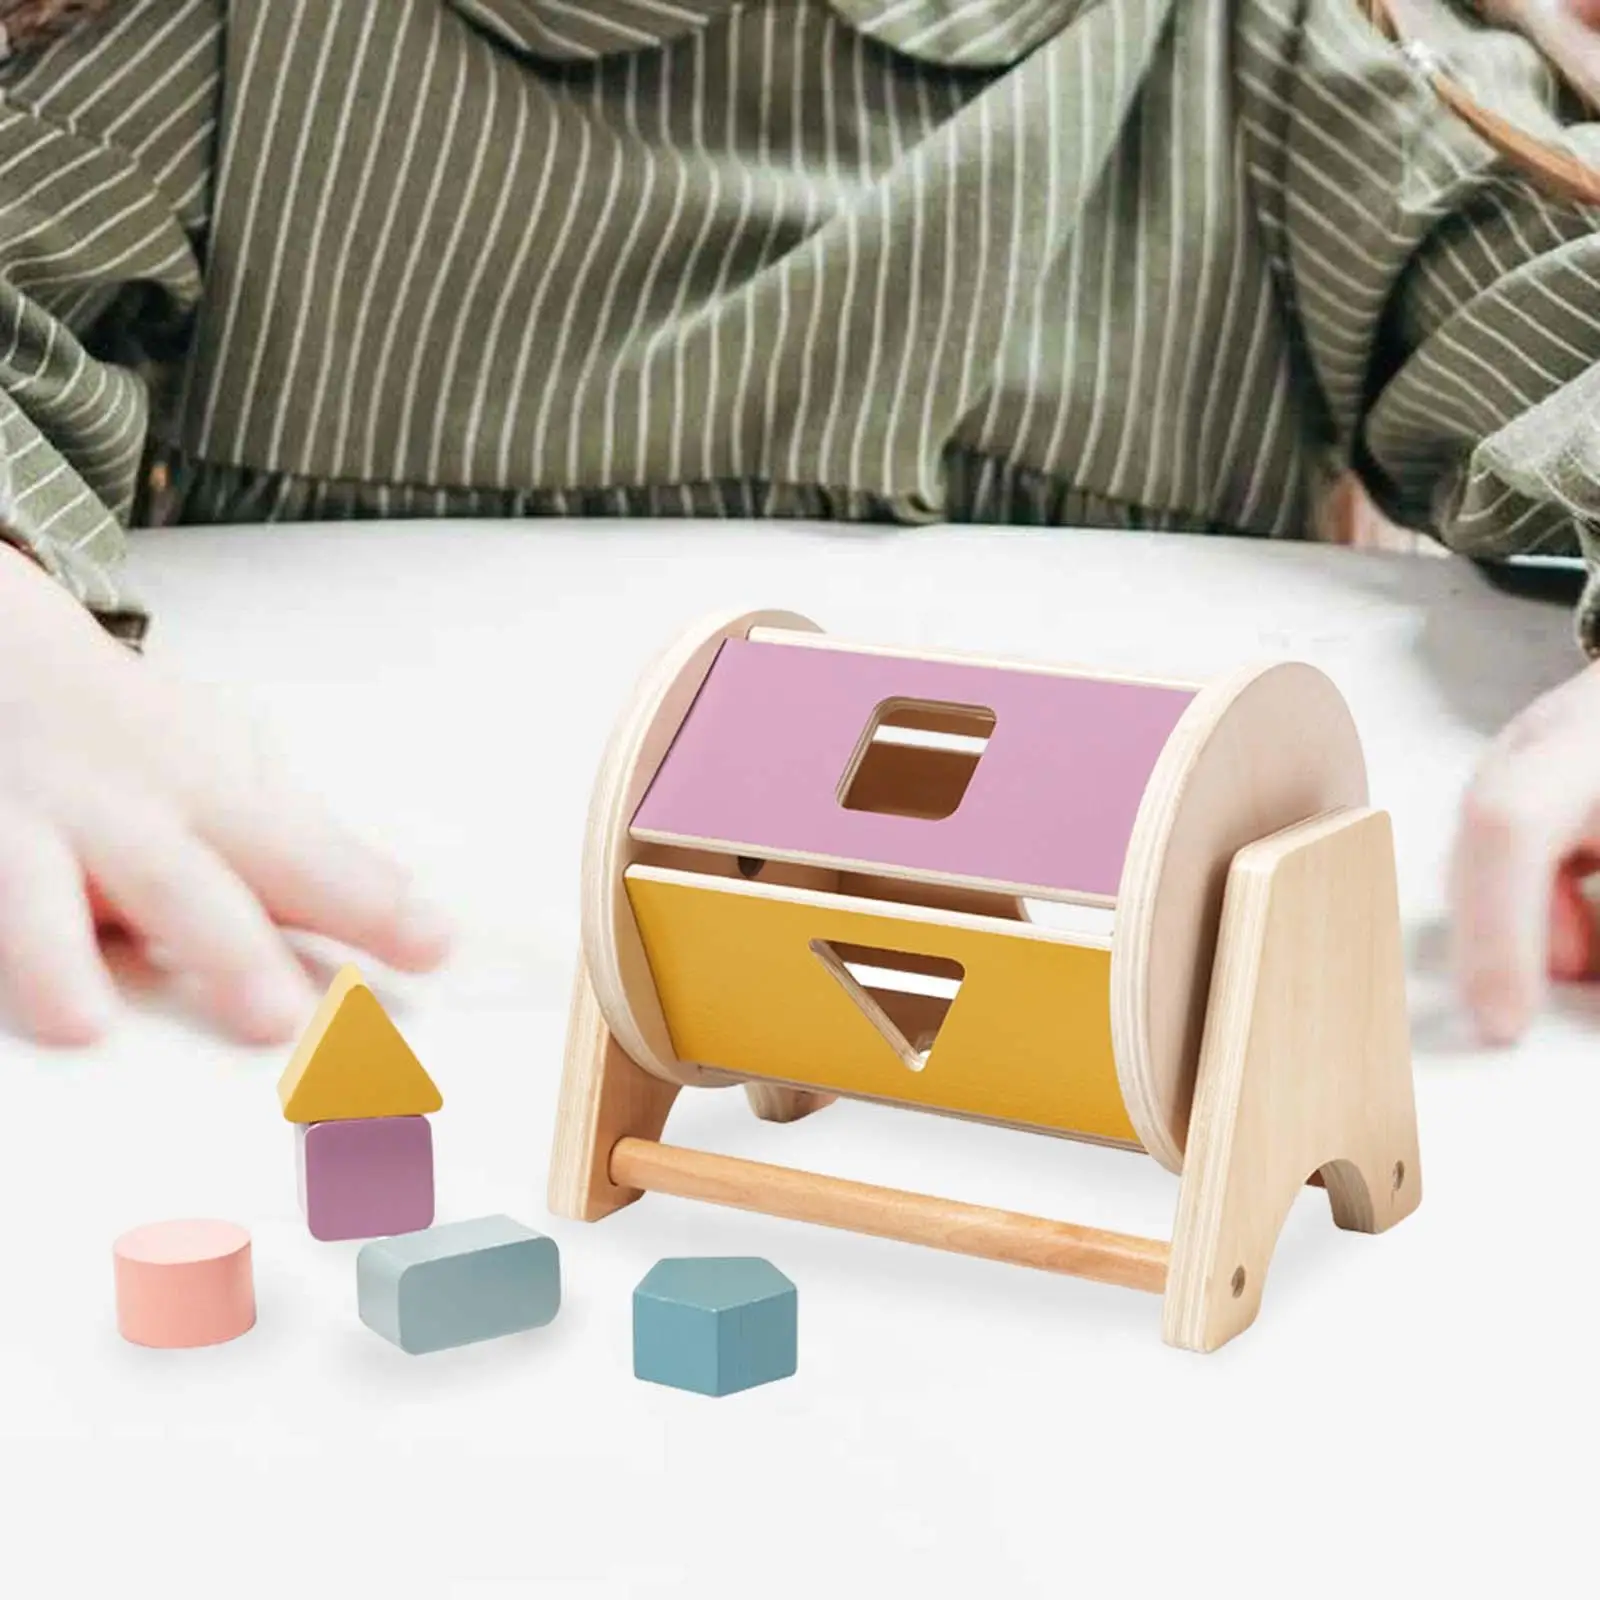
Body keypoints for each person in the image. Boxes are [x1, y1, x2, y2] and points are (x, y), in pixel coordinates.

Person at [0, 0, 1595, 1049]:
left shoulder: (1284, 44)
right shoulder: (234, 35)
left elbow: (1558, 322)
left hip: (1070, 1098)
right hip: (393, 1031)